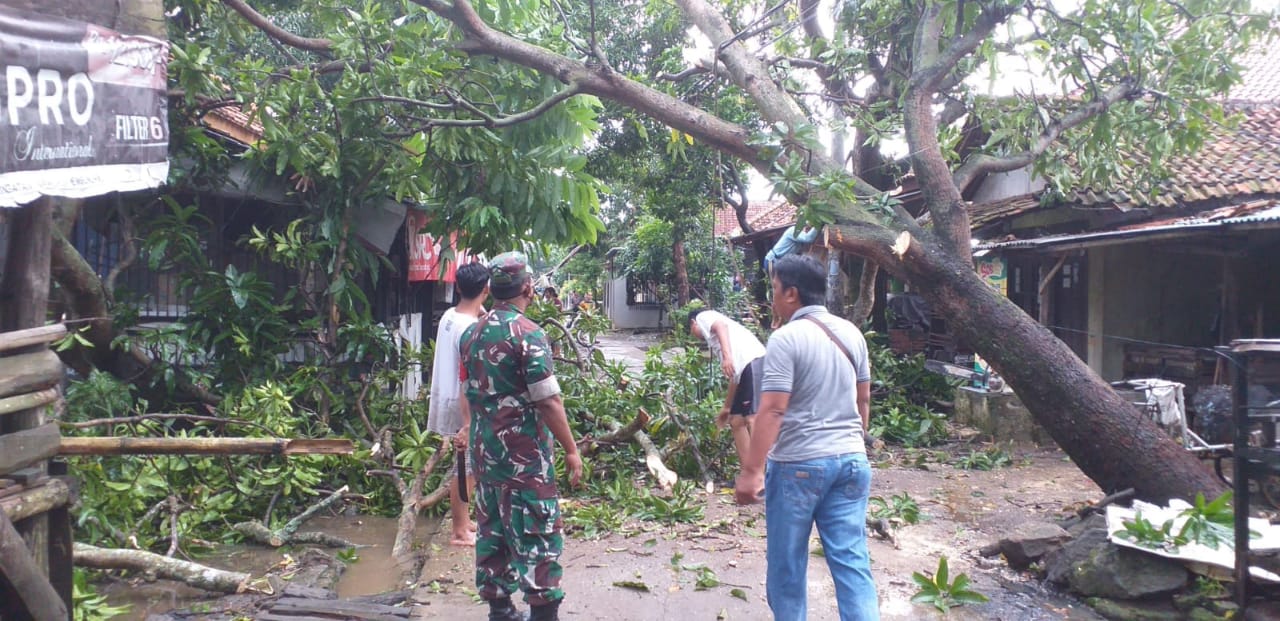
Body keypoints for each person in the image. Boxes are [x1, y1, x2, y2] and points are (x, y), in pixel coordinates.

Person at [735, 254, 879, 620]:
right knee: (851, 563)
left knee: (787, 567)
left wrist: (751, 471)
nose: (771, 298)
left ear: (791, 294)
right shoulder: (852, 333)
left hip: (798, 467)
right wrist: (852, 445)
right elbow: (863, 399)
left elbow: (773, 409)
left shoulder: (785, 339)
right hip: (852, 463)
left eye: (774, 289)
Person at [460, 252, 584, 621]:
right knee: (537, 535)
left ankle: (500, 611)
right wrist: (572, 450)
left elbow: (468, 391)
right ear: (528, 287)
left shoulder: (471, 334)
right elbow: (548, 401)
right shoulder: (529, 334)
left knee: (492, 532)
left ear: (490, 289)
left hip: (486, 457)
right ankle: (543, 614)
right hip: (525, 460)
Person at [425, 262, 490, 547]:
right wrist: (468, 423)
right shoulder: (471, 329)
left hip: (445, 395)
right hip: (463, 405)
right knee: (466, 468)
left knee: (464, 466)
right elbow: (469, 378)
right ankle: (460, 531)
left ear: (458, 287)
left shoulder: (451, 316)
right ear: (487, 289)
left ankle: (464, 521)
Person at [690, 308, 767, 468]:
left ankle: (764, 476)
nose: (695, 336)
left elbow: (720, 326)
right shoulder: (721, 341)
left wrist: (727, 356)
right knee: (736, 420)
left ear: (693, 324)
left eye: (691, 331)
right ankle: (749, 473)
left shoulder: (703, 316)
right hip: (747, 368)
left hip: (753, 362)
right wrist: (726, 408)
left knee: (752, 418)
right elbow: (734, 378)